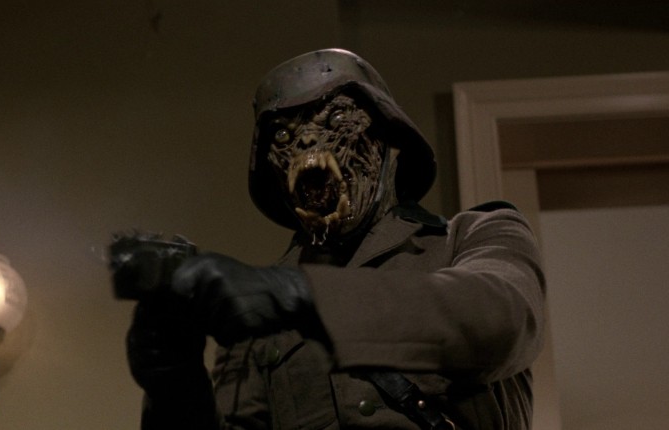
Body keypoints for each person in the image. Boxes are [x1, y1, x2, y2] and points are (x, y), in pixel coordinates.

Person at [119, 48, 545, 429]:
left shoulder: (475, 235)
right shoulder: (255, 314)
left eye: (337, 119)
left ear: (388, 140)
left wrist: (297, 295)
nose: (307, 140)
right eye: (283, 136)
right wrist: (174, 384)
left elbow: (503, 321)